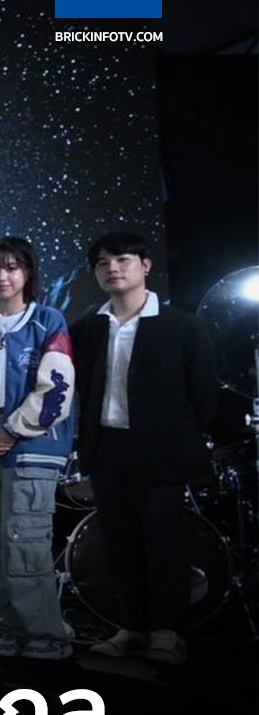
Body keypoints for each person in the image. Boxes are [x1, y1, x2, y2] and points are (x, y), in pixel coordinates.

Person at [71, 231, 218, 667]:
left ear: (145, 265)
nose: (112, 268)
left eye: (122, 259)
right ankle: (131, 627)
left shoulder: (184, 327)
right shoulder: (87, 329)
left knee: (166, 542)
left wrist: (177, 440)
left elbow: (204, 397)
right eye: (102, 262)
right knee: (119, 543)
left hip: (160, 450)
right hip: (106, 448)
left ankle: (168, 632)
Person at [0, 236, 77, 660]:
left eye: (12, 267)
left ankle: (46, 634)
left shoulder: (47, 321)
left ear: (27, 272)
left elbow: (56, 389)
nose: (2, 276)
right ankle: (10, 627)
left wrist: (11, 431)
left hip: (31, 446)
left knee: (25, 541)